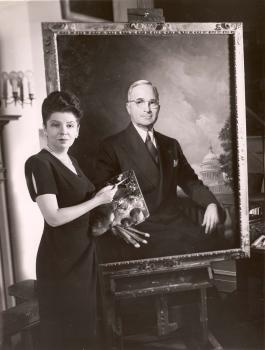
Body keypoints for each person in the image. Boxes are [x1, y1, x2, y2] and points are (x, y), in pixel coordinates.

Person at [24, 91, 143, 350]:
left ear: (77, 130)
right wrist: (98, 201)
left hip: (84, 255)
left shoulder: (72, 160)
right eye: (55, 124)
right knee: (67, 335)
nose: (62, 132)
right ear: (45, 128)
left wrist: (114, 220)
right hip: (60, 262)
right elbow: (53, 217)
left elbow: (86, 212)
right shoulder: (38, 164)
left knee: (87, 330)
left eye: (69, 125)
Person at [94, 80, 226, 261]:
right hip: (139, 226)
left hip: (175, 222)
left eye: (152, 102)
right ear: (128, 108)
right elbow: (102, 193)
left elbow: (190, 182)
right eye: (139, 102)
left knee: (211, 244)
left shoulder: (170, 144)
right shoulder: (112, 146)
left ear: (158, 107)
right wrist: (115, 224)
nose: (147, 109)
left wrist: (210, 203)